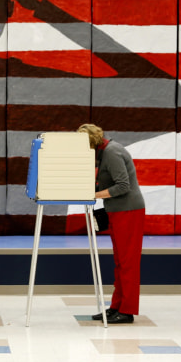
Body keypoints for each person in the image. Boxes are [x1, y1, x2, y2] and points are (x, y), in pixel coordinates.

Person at [78, 124, 145, 324]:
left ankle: (127, 310)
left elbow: (123, 186)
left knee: (128, 263)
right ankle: (116, 306)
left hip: (129, 211)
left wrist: (93, 194)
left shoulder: (112, 152)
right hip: (117, 211)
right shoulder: (104, 152)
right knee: (120, 262)